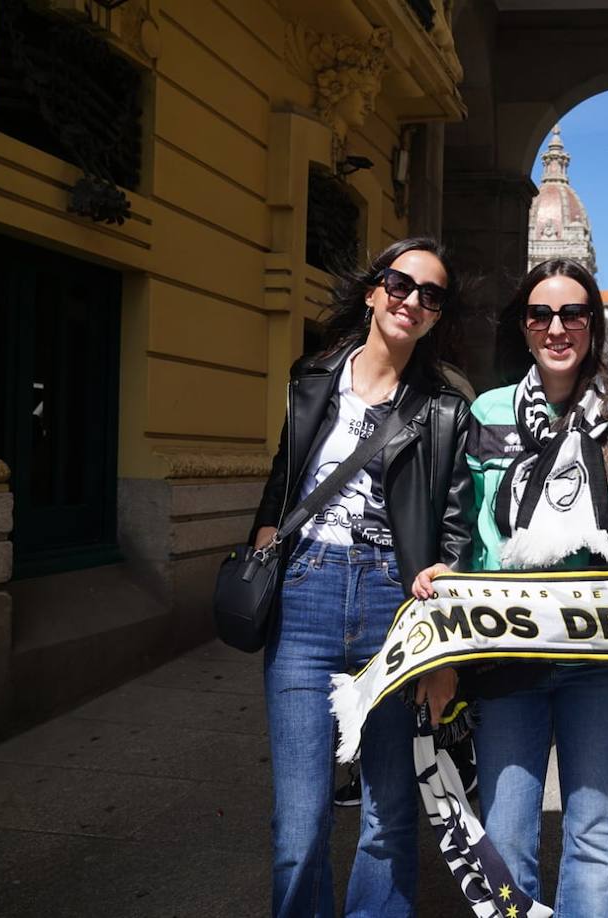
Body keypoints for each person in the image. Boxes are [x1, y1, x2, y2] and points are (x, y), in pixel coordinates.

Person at [249, 237, 474, 918]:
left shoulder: (444, 406)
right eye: (402, 285)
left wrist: (446, 645)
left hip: (394, 602)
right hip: (306, 592)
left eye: (431, 296)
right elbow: (287, 473)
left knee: (387, 813)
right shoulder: (311, 376)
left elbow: (456, 529)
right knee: (300, 823)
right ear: (374, 291)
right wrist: (264, 528)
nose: (414, 301)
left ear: (437, 317)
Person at [414, 258, 608, 918]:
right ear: (524, 325)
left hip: (601, 658)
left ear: (594, 324)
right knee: (507, 837)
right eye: (541, 314)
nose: (557, 327)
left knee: (595, 835)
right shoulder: (487, 411)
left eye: (574, 313)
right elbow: (468, 527)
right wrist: (446, 578)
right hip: (506, 652)